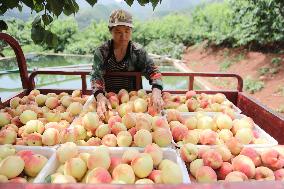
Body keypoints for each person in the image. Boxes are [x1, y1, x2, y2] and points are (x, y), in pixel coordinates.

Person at [90, 9, 164, 119]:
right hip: (109, 102)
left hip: (133, 104)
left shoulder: (138, 52)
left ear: (131, 31)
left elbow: (154, 72)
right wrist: (100, 97)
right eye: (118, 32)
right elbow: (96, 76)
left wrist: (157, 92)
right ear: (111, 31)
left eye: (127, 31)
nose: (123, 36)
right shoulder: (102, 52)